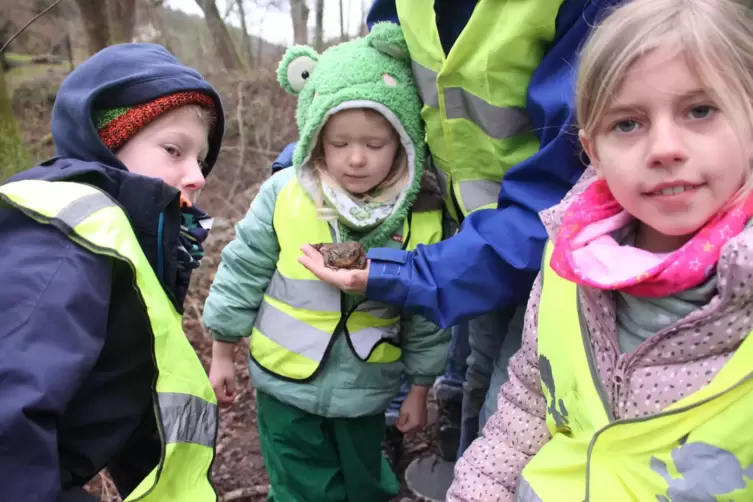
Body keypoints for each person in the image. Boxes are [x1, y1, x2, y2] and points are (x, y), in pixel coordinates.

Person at [290, 0, 624, 497]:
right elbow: (371, 89)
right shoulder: (400, 8)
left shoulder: (588, 12)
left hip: (557, 256)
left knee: (515, 413)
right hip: (467, 241)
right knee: (474, 371)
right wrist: (308, 165)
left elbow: (564, 186)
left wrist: (400, 273)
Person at [448, 0, 753, 499]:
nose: (664, 148)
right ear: (593, 150)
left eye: (701, 110)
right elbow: (530, 397)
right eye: (627, 124)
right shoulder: (569, 258)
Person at [202, 23, 450, 502]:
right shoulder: (285, 194)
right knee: (299, 487)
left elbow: (425, 310)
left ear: (404, 140)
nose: (356, 159)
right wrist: (222, 349)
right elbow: (242, 269)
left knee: (366, 484)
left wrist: (419, 386)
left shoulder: (421, 213)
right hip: (283, 384)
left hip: (365, 389)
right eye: (339, 144)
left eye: (375, 145)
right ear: (315, 138)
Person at [0, 43, 224, 502]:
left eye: (200, 160)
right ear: (105, 145)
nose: (198, 176)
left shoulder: (128, 247)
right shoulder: (65, 243)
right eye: (173, 150)